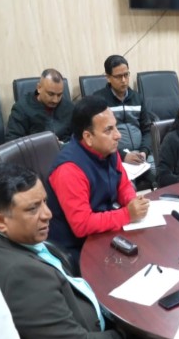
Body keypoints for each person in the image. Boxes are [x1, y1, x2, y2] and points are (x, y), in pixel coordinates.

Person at [0, 164, 126, 339]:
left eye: (44, 202)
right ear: (0, 222)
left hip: (81, 335)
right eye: (33, 208)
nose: (47, 214)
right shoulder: (21, 275)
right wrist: (125, 334)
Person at [47, 95, 149, 268]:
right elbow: (82, 225)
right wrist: (127, 214)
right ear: (88, 137)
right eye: (109, 130)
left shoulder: (108, 150)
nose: (118, 135)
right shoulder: (69, 169)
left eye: (115, 126)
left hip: (103, 231)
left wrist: (132, 201)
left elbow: (123, 184)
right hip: (76, 247)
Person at [92, 55, 155, 188]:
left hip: (140, 154)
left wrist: (144, 151)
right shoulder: (99, 101)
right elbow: (99, 137)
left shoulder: (137, 98)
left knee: (159, 173)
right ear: (108, 77)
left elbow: (147, 129)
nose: (124, 80)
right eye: (118, 76)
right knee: (128, 186)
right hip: (115, 156)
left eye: (126, 75)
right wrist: (123, 155)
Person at [6, 68, 74, 142]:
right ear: (39, 88)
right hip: (36, 148)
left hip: (66, 147)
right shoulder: (22, 109)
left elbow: (79, 134)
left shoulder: (69, 107)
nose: (55, 100)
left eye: (59, 95)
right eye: (51, 94)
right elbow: (13, 140)